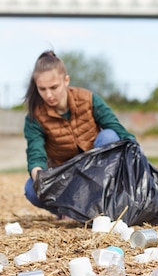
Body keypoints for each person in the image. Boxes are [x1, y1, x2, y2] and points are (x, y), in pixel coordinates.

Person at [23, 50, 135, 218]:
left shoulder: (88, 99)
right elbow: (35, 153)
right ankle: (69, 211)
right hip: (66, 178)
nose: (48, 95)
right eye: (42, 89)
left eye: (54, 87)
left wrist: (139, 161)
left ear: (66, 80)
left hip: (98, 174)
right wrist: (41, 180)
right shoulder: (35, 116)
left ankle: (104, 203)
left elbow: (118, 130)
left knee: (109, 137)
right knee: (31, 189)